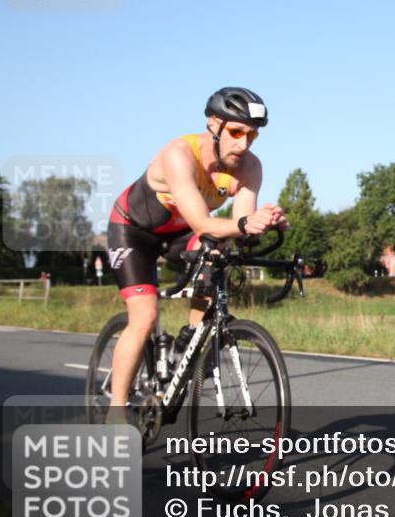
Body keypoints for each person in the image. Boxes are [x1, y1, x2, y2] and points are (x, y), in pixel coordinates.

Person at [105, 87, 288, 417]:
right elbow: (204, 224)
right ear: (214, 124)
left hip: (180, 233)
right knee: (144, 316)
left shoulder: (249, 167)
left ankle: (189, 344)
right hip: (133, 231)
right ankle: (115, 413)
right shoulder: (180, 154)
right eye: (236, 132)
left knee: (217, 254)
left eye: (252, 135)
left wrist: (264, 224)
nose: (244, 144)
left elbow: (240, 227)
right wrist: (246, 224)